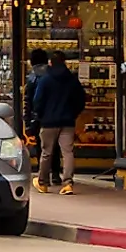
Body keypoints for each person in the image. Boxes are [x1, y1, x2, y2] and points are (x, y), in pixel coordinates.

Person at [35, 53, 87, 194]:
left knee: (46, 153)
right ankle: (68, 183)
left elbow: (37, 101)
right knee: (68, 152)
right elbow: (81, 99)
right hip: (67, 121)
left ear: (50, 63)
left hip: (49, 122)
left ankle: (43, 182)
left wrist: (41, 116)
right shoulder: (72, 80)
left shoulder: (45, 80)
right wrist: (73, 114)